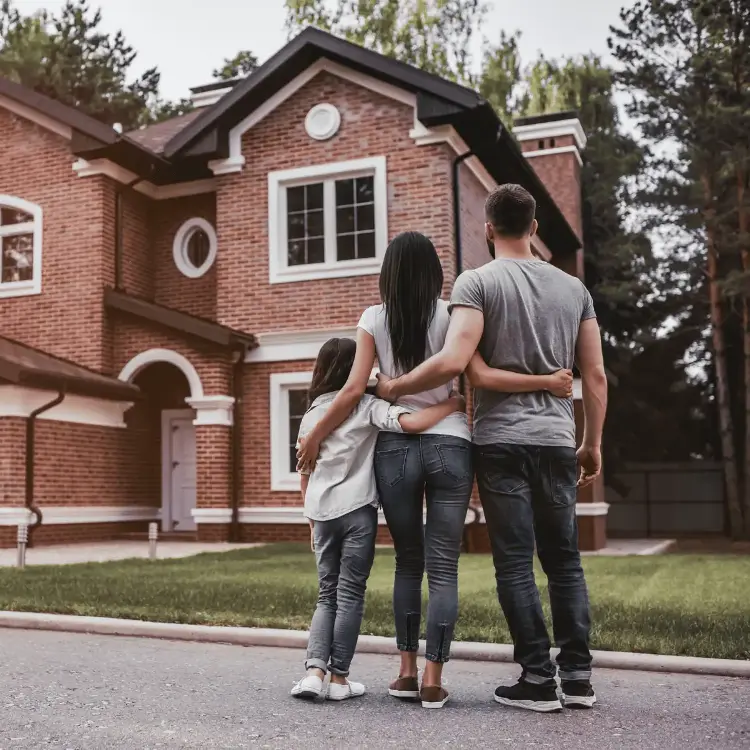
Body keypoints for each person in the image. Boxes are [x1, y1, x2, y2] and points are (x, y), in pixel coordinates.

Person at [296, 231, 574, 709]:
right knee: (443, 567)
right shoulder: (453, 314)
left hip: (396, 449)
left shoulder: (372, 318)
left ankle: (403, 673)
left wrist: (317, 434)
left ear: (387, 273)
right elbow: (475, 373)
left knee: (408, 561)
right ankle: (432, 679)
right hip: (450, 443)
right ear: (435, 273)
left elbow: (351, 391)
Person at [375, 185, 608, 713]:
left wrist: (394, 388)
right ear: (535, 228)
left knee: (515, 564)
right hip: (555, 441)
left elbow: (456, 361)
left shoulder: (476, 283)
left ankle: (537, 679)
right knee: (565, 562)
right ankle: (577, 677)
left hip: (500, 441)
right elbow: (593, 373)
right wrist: (590, 441)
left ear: (487, 229)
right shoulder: (575, 290)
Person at [291, 337, 465, 702]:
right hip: (358, 514)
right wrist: (452, 404)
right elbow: (413, 423)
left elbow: (304, 472)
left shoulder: (310, 416)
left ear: (320, 371)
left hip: (321, 515)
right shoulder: (369, 407)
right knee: (350, 594)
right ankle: (339, 680)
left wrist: (310, 519)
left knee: (327, 595)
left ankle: (312, 673)